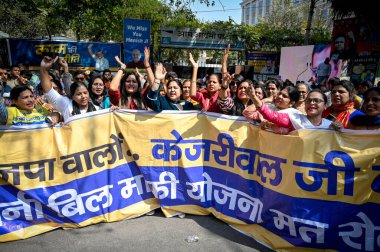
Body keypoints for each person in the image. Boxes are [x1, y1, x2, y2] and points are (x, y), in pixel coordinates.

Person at [248, 88, 340, 134]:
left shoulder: (330, 126)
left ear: (325, 106)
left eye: (316, 101)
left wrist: (341, 131)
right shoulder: (294, 119)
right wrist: (253, 97)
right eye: (308, 100)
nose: (312, 103)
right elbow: (270, 115)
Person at [40, 56, 99, 122]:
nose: (83, 96)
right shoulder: (66, 105)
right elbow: (48, 90)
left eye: (85, 93)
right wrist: (44, 69)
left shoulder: (98, 110)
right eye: (79, 94)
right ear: (72, 96)